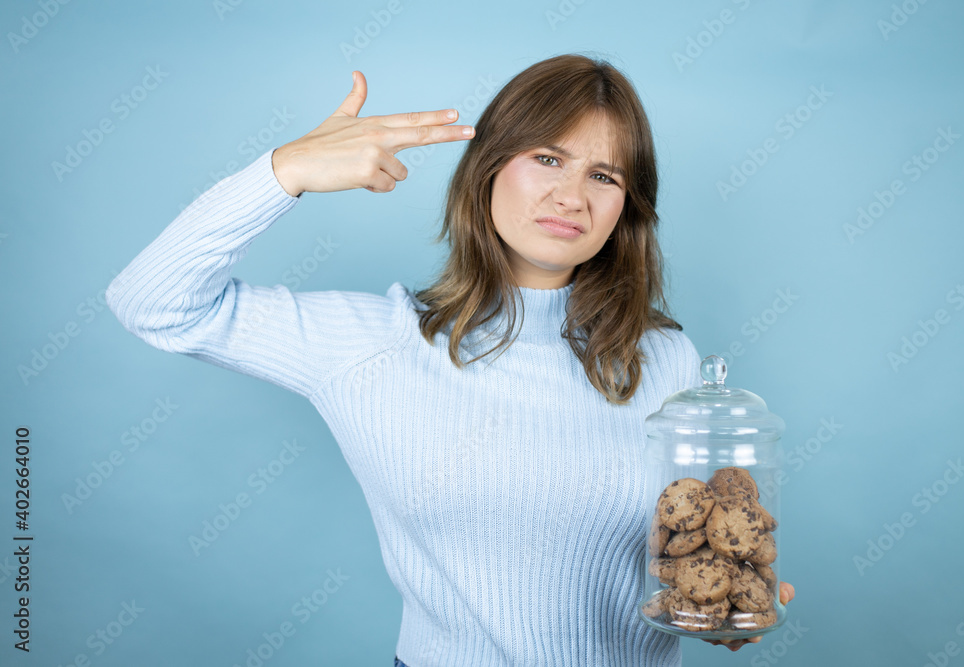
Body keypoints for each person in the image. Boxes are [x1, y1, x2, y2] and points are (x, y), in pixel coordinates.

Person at [107, 53, 794, 666]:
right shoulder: (373, 344)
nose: (572, 196)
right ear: (487, 168)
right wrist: (284, 171)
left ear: (627, 206)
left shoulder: (665, 361)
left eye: (603, 174)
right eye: (547, 158)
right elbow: (152, 302)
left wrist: (725, 606)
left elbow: (693, 551)